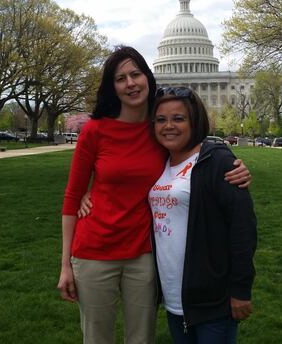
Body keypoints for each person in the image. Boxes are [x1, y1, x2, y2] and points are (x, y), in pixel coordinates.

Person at [57, 46, 251, 344]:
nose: (130, 83)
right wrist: (64, 264)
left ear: (148, 77)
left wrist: (232, 164)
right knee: (97, 338)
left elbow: (194, 153)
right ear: (113, 86)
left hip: (143, 253)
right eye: (120, 78)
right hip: (94, 249)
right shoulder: (95, 130)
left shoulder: (159, 129)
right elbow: (72, 196)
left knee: (142, 338)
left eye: (135, 74)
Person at [149, 86, 257, 343]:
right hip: (175, 297)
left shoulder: (217, 161)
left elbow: (243, 228)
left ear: (194, 121)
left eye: (178, 118)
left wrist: (241, 289)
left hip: (213, 298)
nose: (168, 126)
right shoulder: (160, 162)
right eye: (161, 119)